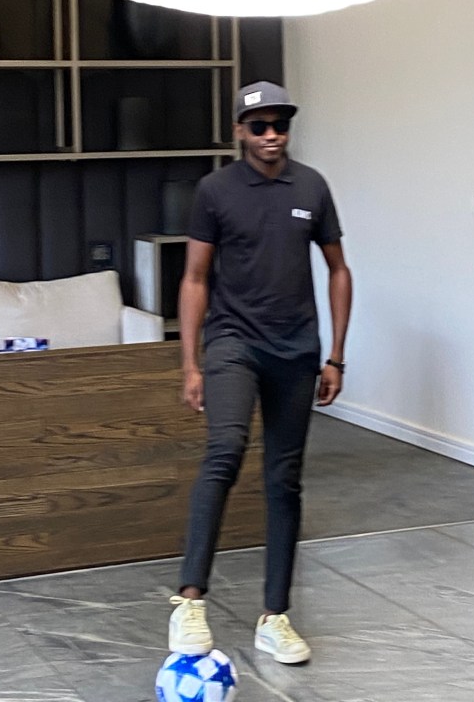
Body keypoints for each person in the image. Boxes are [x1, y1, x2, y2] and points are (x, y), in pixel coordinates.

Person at [169, 80, 352, 665]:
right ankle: (190, 601)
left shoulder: (311, 186)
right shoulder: (215, 191)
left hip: (296, 350)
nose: (272, 135)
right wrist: (190, 364)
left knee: (284, 478)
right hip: (233, 341)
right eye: (260, 126)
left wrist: (335, 354)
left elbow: (339, 270)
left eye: (280, 125)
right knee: (225, 451)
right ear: (240, 132)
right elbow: (195, 277)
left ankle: (276, 617)